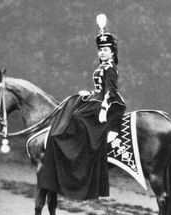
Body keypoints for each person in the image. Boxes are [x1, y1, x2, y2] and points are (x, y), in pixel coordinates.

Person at [38, 14, 126, 200]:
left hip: (108, 103)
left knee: (78, 117)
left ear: (112, 52)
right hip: (97, 98)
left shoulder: (110, 68)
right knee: (71, 105)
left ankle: (80, 155)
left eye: (106, 49)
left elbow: (110, 91)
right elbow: (99, 87)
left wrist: (103, 109)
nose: (102, 53)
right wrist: (89, 92)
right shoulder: (102, 66)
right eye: (100, 50)